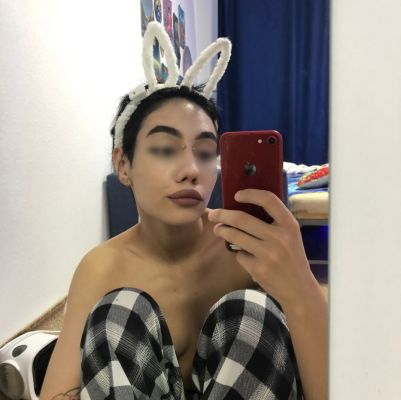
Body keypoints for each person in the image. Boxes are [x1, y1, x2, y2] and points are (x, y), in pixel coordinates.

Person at [39, 22, 327, 400]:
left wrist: (302, 288)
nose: (191, 169)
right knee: (118, 314)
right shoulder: (102, 268)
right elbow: (57, 392)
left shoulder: (249, 252)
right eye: (164, 149)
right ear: (123, 165)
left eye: (205, 152)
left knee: (250, 312)